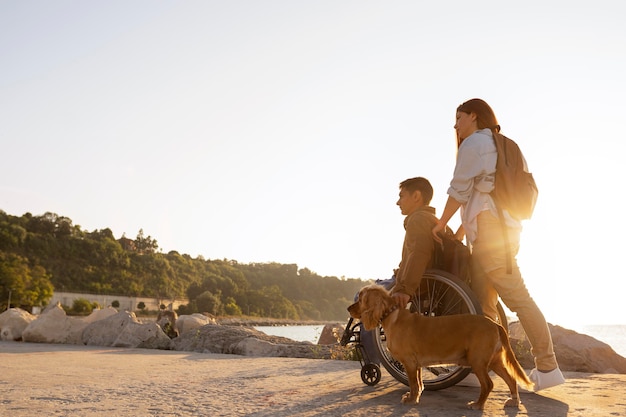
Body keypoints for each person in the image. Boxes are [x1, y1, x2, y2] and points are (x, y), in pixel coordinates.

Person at [432, 98, 565, 391]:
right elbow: (486, 194)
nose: (455, 125)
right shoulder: (505, 144)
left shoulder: (474, 143)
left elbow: (460, 190)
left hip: (493, 233)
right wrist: (459, 231)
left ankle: (547, 365)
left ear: (474, 116)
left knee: (517, 298)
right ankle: (480, 364)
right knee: (483, 304)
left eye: (459, 118)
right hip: (501, 230)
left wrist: (440, 224)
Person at [353, 177, 438, 362]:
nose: (398, 202)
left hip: (414, 281)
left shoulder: (418, 220)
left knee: (362, 297)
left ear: (417, 196)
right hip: (420, 279)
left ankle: (372, 362)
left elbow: (419, 255)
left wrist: (405, 289)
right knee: (374, 287)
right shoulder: (431, 219)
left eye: (402, 196)